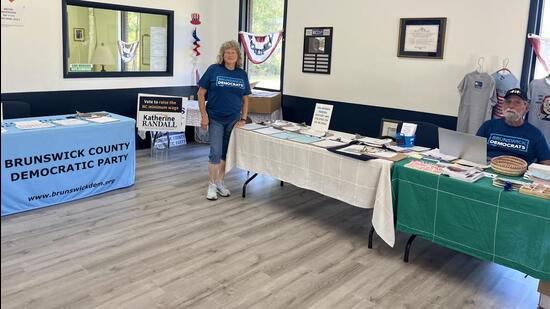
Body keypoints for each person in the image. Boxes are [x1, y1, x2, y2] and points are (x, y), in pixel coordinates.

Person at [197, 40, 251, 200]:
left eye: (233, 52)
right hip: (215, 118)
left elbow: (246, 98)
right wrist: (204, 115)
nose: (230, 55)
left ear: (237, 56)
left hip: (233, 120)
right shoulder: (214, 70)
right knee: (215, 152)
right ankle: (211, 185)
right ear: (222, 55)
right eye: (227, 52)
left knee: (225, 153)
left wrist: (243, 117)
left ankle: (220, 182)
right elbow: (201, 94)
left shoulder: (242, 74)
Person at [476, 88, 550, 165]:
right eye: (508, 102)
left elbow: (547, 162)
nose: (511, 106)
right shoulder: (488, 126)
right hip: (488, 169)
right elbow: (474, 151)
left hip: (519, 173)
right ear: (502, 105)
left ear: (526, 108)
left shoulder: (535, 134)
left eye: (517, 102)